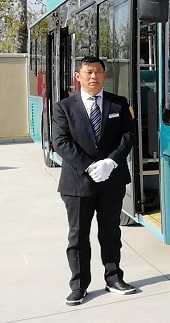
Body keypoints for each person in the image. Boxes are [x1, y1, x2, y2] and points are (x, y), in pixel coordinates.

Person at [51, 56, 137, 306]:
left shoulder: (119, 103)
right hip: (78, 182)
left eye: (98, 71)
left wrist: (110, 162)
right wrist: (90, 166)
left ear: (104, 75)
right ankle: (79, 285)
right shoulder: (64, 107)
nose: (93, 76)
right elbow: (61, 142)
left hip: (112, 180)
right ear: (78, 76)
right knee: (78, 236)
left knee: (111, 232)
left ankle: (114, 278)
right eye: (88, 72)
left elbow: (128, 135)